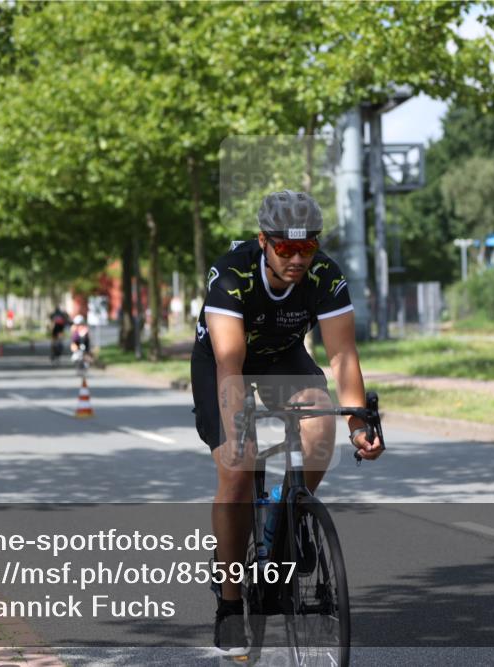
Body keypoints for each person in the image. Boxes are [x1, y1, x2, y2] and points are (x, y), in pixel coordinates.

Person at [190, 190, 384, 656]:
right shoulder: (231, 274)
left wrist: (359, 423)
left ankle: (290, 506)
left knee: (321, 428)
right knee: (238, 471)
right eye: (285, 248)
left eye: (307, 247)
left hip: (282, 358)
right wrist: (238, 434)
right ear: (264, 241)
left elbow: (341, 355)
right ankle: (231, 606)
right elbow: (231, 364)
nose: (297, 258)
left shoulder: (325, 275)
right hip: (225, 363)